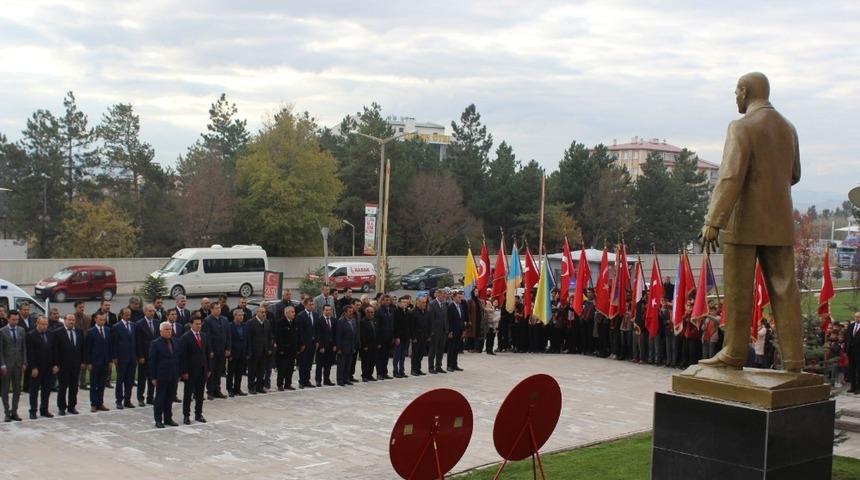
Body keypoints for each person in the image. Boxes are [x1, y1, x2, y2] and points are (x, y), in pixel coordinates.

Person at [700, 73, 804, 373]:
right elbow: (795, 174)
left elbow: (731, 176)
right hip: (780, 221)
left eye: (736, 91)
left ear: (745, 91)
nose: (735, 97)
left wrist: (713, 220)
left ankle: (733, 352)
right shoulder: (788, 128)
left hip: (743, 223)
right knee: (786, 289)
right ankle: (795, 359)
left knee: (739, 290)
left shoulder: (741, 127)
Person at [149, 321, 180, 428]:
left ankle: (168, 418)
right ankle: (158, 419)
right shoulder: (155, 343)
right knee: (160, 398)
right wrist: (153, 377)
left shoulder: (175, 342)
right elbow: (152, 361)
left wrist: (178, 373)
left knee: (170, 398)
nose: (169, 331)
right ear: (161, 331)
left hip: (173, 375)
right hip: (161, 375)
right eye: (166, 329)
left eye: (170, 329)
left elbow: (177, 359)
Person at [26, 315, 58, 419]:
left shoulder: (50, 334)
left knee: (46, 390)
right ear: (37, 324)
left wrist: (55, 364)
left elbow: (54, 351)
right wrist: (33, 367)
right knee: (34, 391)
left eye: (46, 324)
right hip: (36, 368)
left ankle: (44, 410)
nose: (44, 326)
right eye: (42, 324)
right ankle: (33, 411)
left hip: (48, 368)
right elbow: (30, 353)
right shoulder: (31, 335)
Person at [180, 314, 210, 424]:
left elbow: (207, 353)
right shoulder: (185, 337)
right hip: (190, 371)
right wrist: (184, 371)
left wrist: (209, 368)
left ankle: (198, 414)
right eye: (196, 324)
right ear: (191, 324)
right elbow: (183, 356)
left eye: (200, 324)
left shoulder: (204, 336)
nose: (199, 326)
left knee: (200, 394)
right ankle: (186, 415)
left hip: (202, 370)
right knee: (188, 394)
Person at [54, 313, 83, 416]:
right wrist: (56, 364)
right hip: (63, 365)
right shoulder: (58, 333)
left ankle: (72, 406)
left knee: (74, 387)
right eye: (69, 320)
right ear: (65, 321)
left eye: (73, 320)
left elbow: (81, 348)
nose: (71, 322)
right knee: (62, 387)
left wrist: (82, 361)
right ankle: (61, 407)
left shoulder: (79, 332)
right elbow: (55, 350)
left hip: (75, 365)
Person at [1, 310, 26, 421]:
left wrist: (24, 362)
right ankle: (7, 412)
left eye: (17, 320)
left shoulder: (21, 330)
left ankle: (14, 412)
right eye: (13, 320)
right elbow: (0, 350)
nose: (15, 322)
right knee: (5, 390)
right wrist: (2, 364)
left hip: (18, 364)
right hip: (6, 364)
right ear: (8, 319)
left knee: (17, 389)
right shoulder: (2, 331)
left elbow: (24, 347)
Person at [203, 303, 231, 400]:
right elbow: (207, 337)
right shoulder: (207, 321)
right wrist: (210, 350)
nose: (219, 310)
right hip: (213, 351)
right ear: (211, 310)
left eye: (219, 308)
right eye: (216, 308)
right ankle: (210, 391)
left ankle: (217, 390)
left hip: (222, 350)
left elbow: (228, 335)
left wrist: (228, 348)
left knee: (219, 371)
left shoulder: (225, 320)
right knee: (211, 371)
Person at [110, 307, 136, 410]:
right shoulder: (116, 327)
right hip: (121, 358)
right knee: (120, 380)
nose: (128, 316)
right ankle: (119, 401)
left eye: (129, 314)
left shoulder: (133, 326)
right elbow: (114, 343)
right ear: (121, 315)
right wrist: (115, 357)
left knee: (130, 380)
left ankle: (127, 400)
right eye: (126, 314)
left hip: (132, 357)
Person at [85, 312, 111, 412]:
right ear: (95, 319)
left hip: (104, 362)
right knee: (94, 384)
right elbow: (88, 348)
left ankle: (100, 403)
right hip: (95, 362)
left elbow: (109, 346)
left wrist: (109, 360)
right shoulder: (91, 332)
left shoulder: (108, 330)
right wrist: (89, 362)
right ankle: (93, 403)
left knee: (102, 384)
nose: (102, 321)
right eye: (100, 319)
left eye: (104, 320)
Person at [135, 304, 159, 407]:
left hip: (154, 356)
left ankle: (150, 397)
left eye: (153, 311)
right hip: (144, 356)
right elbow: (138, 342)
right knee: (142, 378)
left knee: (152, 377)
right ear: (145, 312)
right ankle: (140, 398)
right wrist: (140, 356)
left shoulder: (157, 323)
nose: (151, 313)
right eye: (149, 311)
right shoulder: (139, 324)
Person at [247, 306, 274, 394]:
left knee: (261, 370)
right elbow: (248, 338)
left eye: (264, 312)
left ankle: (259, 386)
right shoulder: (251, 323)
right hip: (254, 351)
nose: (263, 314)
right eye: (261, 312)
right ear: (257, 313)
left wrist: (269, 348)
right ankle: (251, 387)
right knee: (252, 371)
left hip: (264, 351)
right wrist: (249, 351)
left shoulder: (267, 322)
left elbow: (270, 337)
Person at [274, 305, 299, 391]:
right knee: (282, 368)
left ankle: (288, 384)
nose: (294, 314)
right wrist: (280, 349)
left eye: (294, 312)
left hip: (292, 350)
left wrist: (297, 348)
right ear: (287, 313)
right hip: (283, 350)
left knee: (290, 368)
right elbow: (278, 337)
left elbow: (296, 336)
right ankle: (280, 384)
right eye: (292, 312)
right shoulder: (280, 323)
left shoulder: (294, 322)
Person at [427, 289, 449, 374]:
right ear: (438, 295)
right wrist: (431, 331)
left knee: (441, 349)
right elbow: (431, 319)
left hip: (443, 331)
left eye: (444, 295)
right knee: (433, 350)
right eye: (442, 295)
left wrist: (447, 329)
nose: (444, 297)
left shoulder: (444, 304)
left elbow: (446, 318)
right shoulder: (432, 304)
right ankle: (431, 367)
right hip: (435, 331)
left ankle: (438, 366)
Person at [296, 298, 317, 388]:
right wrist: (301, 344)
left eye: (313, 304)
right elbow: (299, 331)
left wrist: (317, 341)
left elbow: (316, 330)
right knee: (302, 363)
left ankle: (307, 380)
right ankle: (301, 381)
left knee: (309, 363)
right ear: (305, 305)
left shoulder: (315, 315)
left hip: (312, 343)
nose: (312, 306)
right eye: (310, 304)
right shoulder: (301, 316)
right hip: (304, 344)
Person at [227, 309, 247, 397]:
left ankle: (237, 388)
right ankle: (230, 389)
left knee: (239, 372)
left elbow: (246, 339)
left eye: (242, 315)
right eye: (239, 315)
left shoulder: (244, 325)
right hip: (233, 353)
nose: (241, 317)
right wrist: (229, 353)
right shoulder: (230, 326)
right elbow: (228, 340)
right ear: (235, 316)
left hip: (242, 352)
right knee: (231, 372)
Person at [336, 303, 357, 386]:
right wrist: (339, 348)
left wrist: (354, 345)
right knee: (341, 365)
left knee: (348, 364)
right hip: (343, 347)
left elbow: (354, 334)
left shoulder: (353, 321)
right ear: (345, 312)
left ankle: (346, 379)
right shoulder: (341, 322)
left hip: (351, 346)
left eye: (352, 311)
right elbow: (338, 336)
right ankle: (340, 380)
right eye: (349, 311)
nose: (351, 313)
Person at [315, 304, 336, 387]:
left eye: (330, 310)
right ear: (323, 311)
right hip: (322, 346)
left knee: (328, 364)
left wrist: (335, 345)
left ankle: (327, 379)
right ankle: (318, 380)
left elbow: (335, 334)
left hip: (331, 346)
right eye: (326, 310)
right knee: (320, 364)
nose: (328, 311)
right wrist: (321, 346)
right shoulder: (319, 320)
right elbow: (318, 334)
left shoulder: (334, 320)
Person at [408, 296, 429, 376]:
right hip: (416, 337)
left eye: (425, 302)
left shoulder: (426, 312)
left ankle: (418, 369)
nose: (425, 304)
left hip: (424, 336)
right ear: (418, 302)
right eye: (423, 302)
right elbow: (411, 326)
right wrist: (413, 337)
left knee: (421, 354)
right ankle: (413, 369)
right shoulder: (412, 312)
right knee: (415, 354)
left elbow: (428, 324)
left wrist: (428, 335)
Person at [375, 295, 394, 380]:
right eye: (386, 300)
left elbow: (392, 325)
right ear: (382, 301)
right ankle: (379, 373)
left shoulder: (390, 310)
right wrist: (378, 341)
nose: (388, 302)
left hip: (389, 338)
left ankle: (384, 372)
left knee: (386, 356)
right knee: (380, 356)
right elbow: (377, 327)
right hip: (381, 338)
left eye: (389, 300)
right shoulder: (379, 311)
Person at [447, 291, 466, 372]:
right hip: (453, 331)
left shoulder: (461, 306)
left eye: (461, 297)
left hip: (459, 330)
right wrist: (450, 331)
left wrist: (463, 330)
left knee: (456, 349)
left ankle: (455, 365)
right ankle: (449, 365)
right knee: (451, 349)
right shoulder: (450, 306)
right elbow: (449, 320)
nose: (460, 298)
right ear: (454, 298)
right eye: (458, 297)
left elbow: (462, 319)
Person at [392, 295, 411, 378]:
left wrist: (409, 336)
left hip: (406, 337)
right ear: (399, 303)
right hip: (399, 337)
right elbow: (395, 325)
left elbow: (409, 325)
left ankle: (401, 370)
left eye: (406, 302)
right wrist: (396, 337)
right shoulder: (396, 312)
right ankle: (395, 371)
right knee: (397, 355)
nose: (405, 304)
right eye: (403, 302)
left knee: (403, 355)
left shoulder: (407, 311)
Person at [360, 305, 378, 381]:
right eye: (369, 312)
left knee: (372, 361)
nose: (371, 314)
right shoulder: (362, 321)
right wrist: (364, 345)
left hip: (374, 344)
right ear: (366, 313)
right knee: (365, 361)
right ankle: (364, 375)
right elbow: (362, 334)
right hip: (366, 345)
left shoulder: (374, 320)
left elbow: (377, 332)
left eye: (372, 312)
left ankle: (370, 374)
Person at [847, 312, 860, 394]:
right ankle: (853, 386)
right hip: (851, 352)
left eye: (858, 317)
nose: (857, 318)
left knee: (859, 370)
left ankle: (858, 388)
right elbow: (847, 338)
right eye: (856, 317)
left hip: (859, 352)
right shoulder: (851, 326)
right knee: (851, 370)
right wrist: (846, 349)